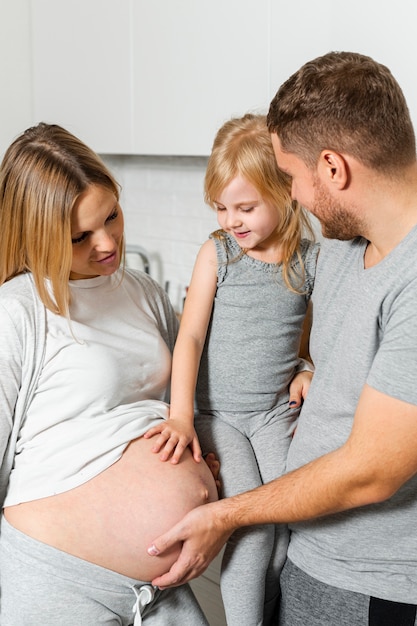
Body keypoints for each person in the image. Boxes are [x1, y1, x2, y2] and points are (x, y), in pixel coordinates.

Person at [146, 51, 417, 626]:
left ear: (333, 167)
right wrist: (305, 367)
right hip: (311, 558)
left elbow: (374, 469)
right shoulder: (345, 248)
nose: (293, 196)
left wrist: (228, 515)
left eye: (291, 178)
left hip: (366, 583)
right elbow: (311, 336)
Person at [0, 122, 220, 626]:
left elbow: (187, 397)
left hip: (163, 586)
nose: (106, 243)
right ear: (39, 234)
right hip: (56, 580)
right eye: (80, 236)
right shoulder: (18, 311)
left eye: (112, 216)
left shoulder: (141, 291)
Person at [144, 113, 318, 625]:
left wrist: (308, 367)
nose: (231, 220)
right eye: (221, 207)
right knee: (254, 526)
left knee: (293, 520)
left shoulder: (308, 261)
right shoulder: (217, 254)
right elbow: (190, 337)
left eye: (245, 207)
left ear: (286, 193)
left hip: (271, 414)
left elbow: (318, 334)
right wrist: (180, 416)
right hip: (219, 416)